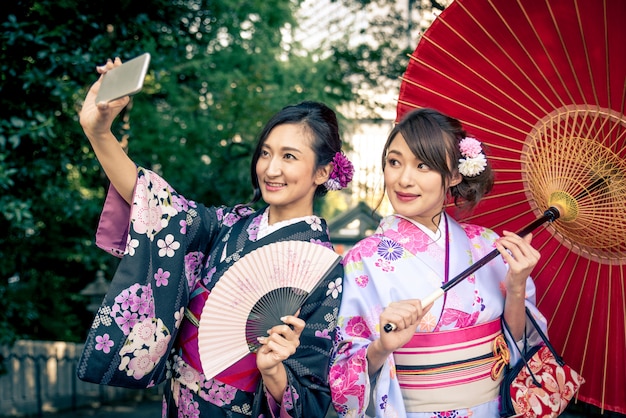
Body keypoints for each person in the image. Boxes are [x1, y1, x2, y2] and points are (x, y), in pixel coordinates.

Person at [77, 57, 354, 417]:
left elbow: (312, 394)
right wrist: (98, 133)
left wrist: (274, 371)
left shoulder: (323, 269)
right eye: (266, 153)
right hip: (178, 399)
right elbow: (159, 207)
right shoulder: (229, 224)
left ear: (323, 171)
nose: (271, 169)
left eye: (289, 156)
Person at [329, 108, 547, 417]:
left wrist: (516, 287)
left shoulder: (487, 246)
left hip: (489, 408)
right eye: (394, 162)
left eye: (423, 165)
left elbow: (519, 350)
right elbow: (340, 369)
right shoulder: (361, 260)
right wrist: (382, 347)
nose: (404, 179)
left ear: (455, 175)